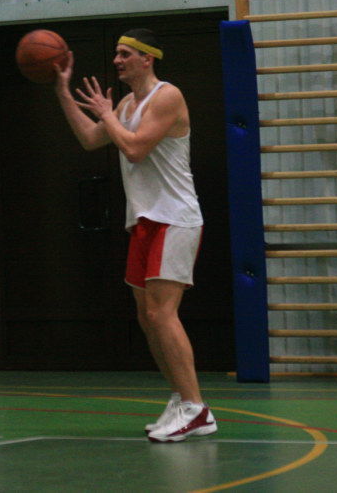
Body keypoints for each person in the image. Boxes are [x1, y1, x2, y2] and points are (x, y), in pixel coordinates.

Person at [53, 28, 217, 443]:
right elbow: (90, 139)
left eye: (125, 54)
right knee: (148, 318)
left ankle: (196, 409)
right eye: (116, 54)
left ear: (148, 58)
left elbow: (134, 149)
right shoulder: (127, 104)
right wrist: (62, 91)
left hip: (174, 218)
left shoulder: (167, 95)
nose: (117, 61)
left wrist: (106, 114)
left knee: (163, 314)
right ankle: (181, 399)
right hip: (144, 220)